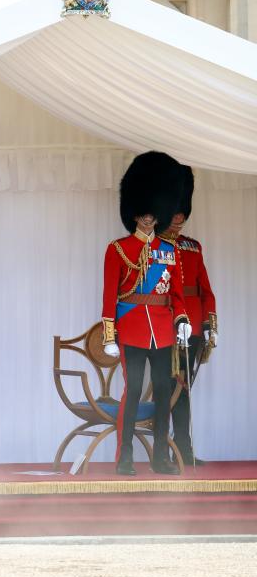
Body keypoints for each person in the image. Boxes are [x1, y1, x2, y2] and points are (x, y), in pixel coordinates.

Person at [101, 152, 191, 476]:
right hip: (133, 329)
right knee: (134, 389)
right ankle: (124, 456)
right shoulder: (119, 249)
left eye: (154, 213)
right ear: (134, 213)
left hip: (164, 332)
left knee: (165, 391)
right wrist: (110, 334)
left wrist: (182, 320)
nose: (149, 219)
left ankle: (159, 458)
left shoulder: (170, 251)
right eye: (144, 213)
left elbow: (176, 295)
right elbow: (110, 295)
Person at [160, 161, 218, 466]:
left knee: (184, 393)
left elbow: (205, 290)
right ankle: (175, 451)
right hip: (164, 329)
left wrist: (210, 323)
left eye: (182, 209)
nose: (179, 216)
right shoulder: (153, 248)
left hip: (192, 328)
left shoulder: (193, 247)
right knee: (173, 393)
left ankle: (181, 451)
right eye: (174, 209)